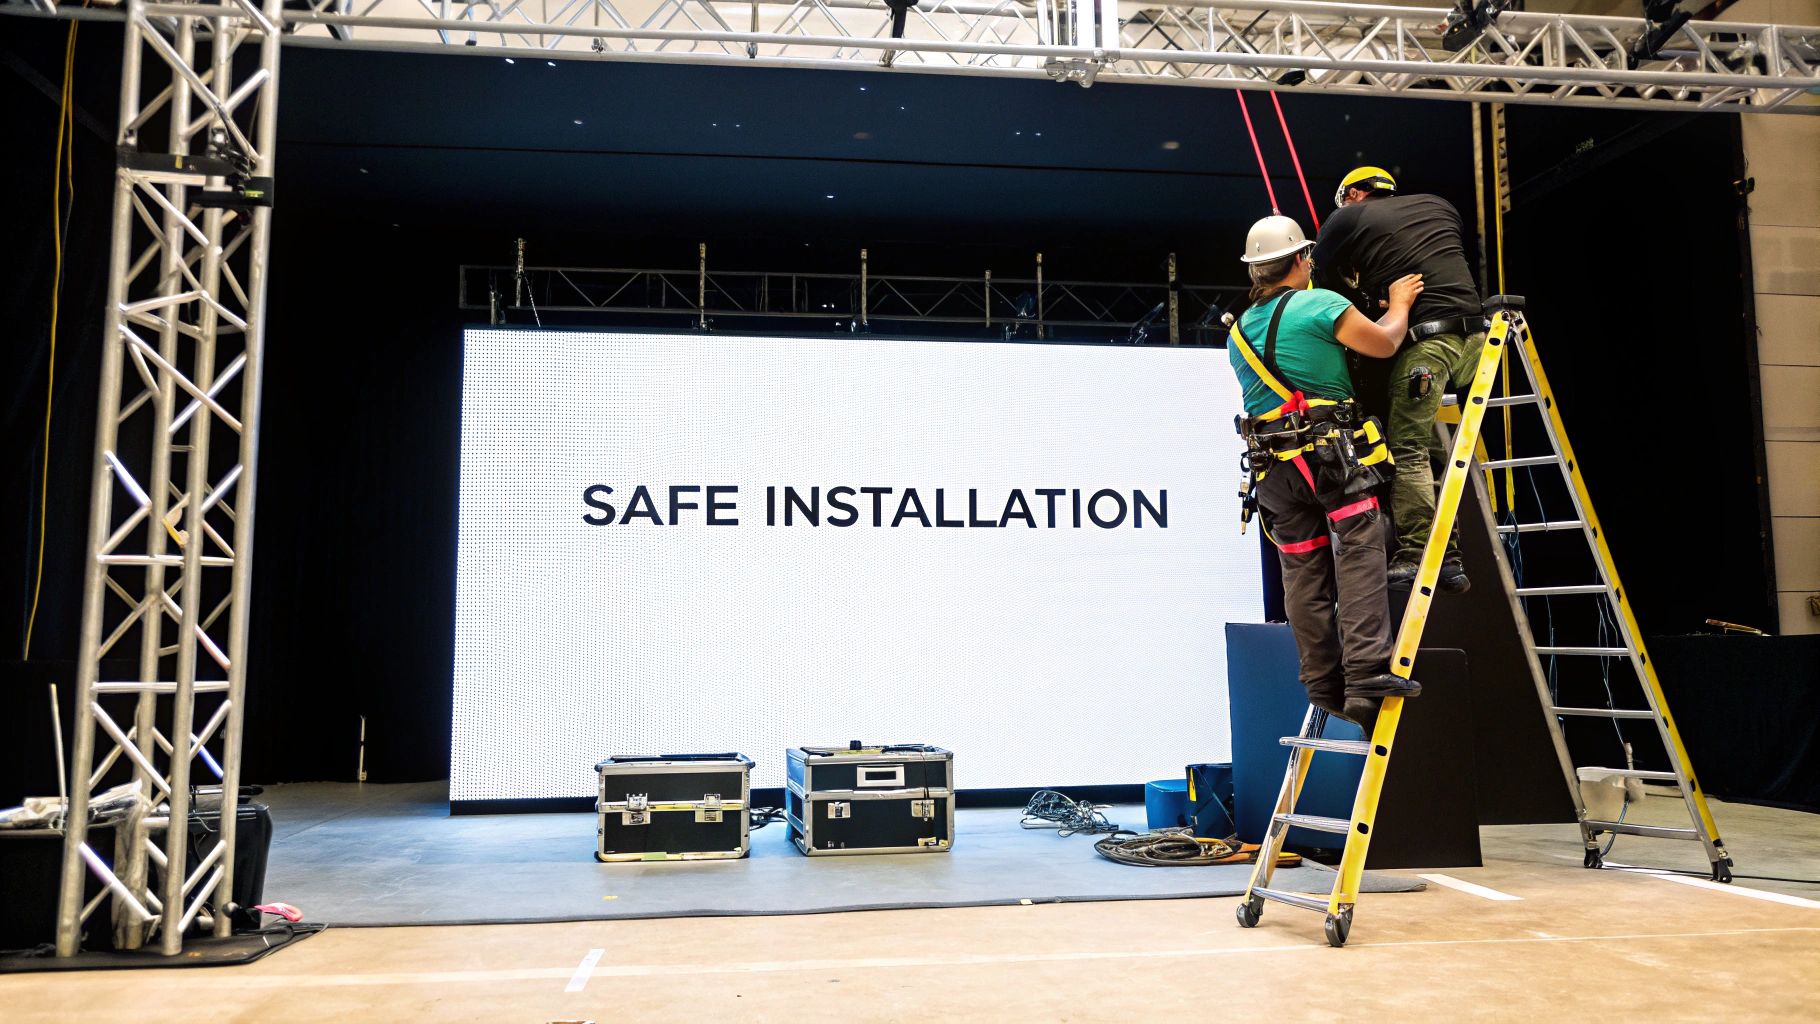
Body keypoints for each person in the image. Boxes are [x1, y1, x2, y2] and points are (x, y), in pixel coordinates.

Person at [1230, 215, 1424, 729]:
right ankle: (1364, 677)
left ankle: (1322, 683)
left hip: (1272, 467)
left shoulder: (1240, 330)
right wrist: (1400, 305)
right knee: (1360, 548)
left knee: (1302, 569)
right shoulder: (1321, 304)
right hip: (1329, 457)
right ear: (1299, 260)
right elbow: (1383, 343)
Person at [1311, 166, 1486, 593]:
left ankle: (1416, 552)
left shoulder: (1345, 219)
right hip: (1480, 343)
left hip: (1429, 345)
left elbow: (1326, 290)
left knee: (1405, 447)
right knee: (1426, 445)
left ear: (1353, 194)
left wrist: (1372, 298)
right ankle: (1450, 557)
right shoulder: (1439, 205)